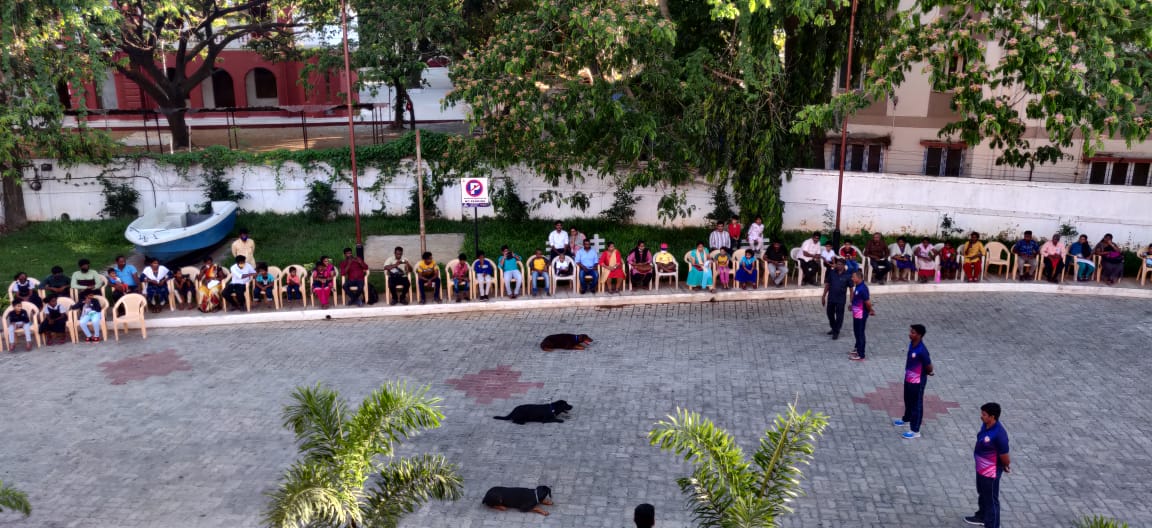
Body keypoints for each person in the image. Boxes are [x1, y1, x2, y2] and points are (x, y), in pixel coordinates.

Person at [964, 403, 1010, 527]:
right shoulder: (986, 425)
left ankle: (993, 525)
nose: (981, 416)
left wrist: (1005, 465)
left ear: (992, 417)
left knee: (991, 501)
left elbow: (1005, 457)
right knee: (982, 494)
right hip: (981, 469)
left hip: (991, 473)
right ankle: (982, 516)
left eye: (984, 414)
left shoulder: (999, 435)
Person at [894, 324, 934, 439]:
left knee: (917, 404)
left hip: (917, 382)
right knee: (907, 399)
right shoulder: (912, 344)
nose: (910, 334)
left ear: (919, 335)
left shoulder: (922, 351)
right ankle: (906, 418)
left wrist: (928, 372)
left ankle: (915, 430)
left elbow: (929, 366)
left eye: (913, 333)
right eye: (910, 332)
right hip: (909, 378)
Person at [821, 258, 853, 340]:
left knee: (839, 316)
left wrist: (851, 302)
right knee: (829, 314)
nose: (838, 266)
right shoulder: (832, 273)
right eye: (837, 264)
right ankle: (833, 327)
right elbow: (827, 284)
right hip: (831, 297)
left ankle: (836, 332)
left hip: (841, 299)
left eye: (840, 264)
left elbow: (851, 289)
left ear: (844, 265)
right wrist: (823, 296)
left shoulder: (848, 275)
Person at [848, 271, 874, 361]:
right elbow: (857, 299)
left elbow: (868, 302)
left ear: (858, 278)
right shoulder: (858, 286)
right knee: (856, 332)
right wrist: (852, 305)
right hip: (856, 314)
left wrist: (870, 310)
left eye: (853, 277)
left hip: (861, 315)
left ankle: (861, 354)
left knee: (860, 333)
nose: (852, 278)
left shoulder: (863, 289)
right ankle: (857, 348)